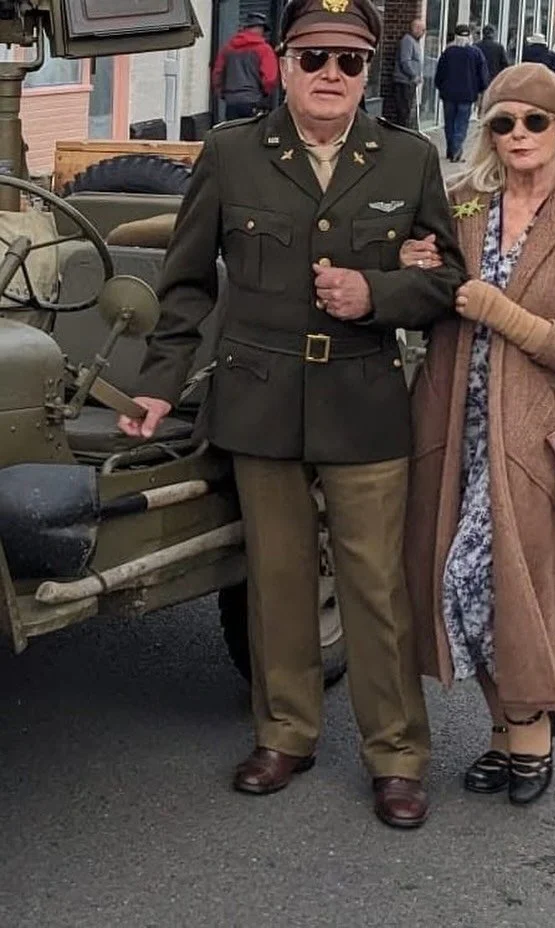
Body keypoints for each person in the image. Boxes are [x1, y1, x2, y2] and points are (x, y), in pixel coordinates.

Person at [119, 0, 467, 829]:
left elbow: (446, 279)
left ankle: (397, 754)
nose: (331, 75)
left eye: (349, 61)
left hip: (363, 400)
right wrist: (160, 383)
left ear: (368, 70)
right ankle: (285, 733)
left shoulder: (407, 158)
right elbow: (186, 284)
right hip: (260, 399)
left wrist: (376, 293)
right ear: (284, 61)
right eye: (314, 58)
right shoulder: (232, 153)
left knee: (375, 587)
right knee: (276, 581)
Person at [400, 63, 555, 805]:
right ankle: (506, 728)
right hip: (452, 428)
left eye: (535, 122)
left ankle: (529, 726)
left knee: (496, 585)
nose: (518, 135)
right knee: (456, 585)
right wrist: (413, 269)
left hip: (539, 441)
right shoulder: (463, 203)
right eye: (502, 122)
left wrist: (507, 315)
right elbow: (423, 300)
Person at [435, 24, 489, 162]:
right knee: (461, 124)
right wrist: (481, 89)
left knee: (449, 123)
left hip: (449, 93)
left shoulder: (448, 53)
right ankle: (456, 150)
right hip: (467, 94)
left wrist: (440, 86)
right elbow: (482, 74)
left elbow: (440, 72)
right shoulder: (476, 53)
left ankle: (451, 149)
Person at [211, 13, 279, 120]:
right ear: (260, 29)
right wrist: (265, 94)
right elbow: (270, 78)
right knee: (254, 130)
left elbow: (217, 74)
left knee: (233, 129)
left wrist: (222, 93)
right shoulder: (264, 49)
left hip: (231, 102)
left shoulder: (227, 48)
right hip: (253, 100)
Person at [392, 18, 425, 128]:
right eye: (422, 30)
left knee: (407, 110)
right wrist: (414, 75)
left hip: (409, 81)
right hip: (404, 81)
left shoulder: (414, 42)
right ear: (415, 29)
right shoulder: (408, 40)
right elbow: (405, 61)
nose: (423, 33)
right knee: (403, 110)